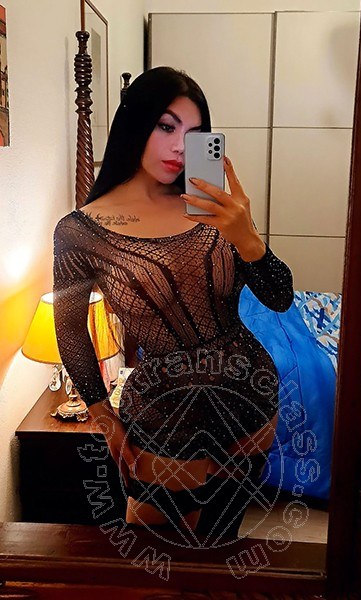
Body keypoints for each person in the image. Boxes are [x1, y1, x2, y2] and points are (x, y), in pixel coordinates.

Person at [53, 66, 294, 538]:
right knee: (157, 559)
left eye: (195, 134)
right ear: (135, 123)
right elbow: (70, 328)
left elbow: (280, 297)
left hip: (251, 402)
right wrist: (103, 416)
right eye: (166, 126)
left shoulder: (215, 208)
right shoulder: (80, 231)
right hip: (166, 421)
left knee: (220, 547)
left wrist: (247, 236)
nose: (182, 147)